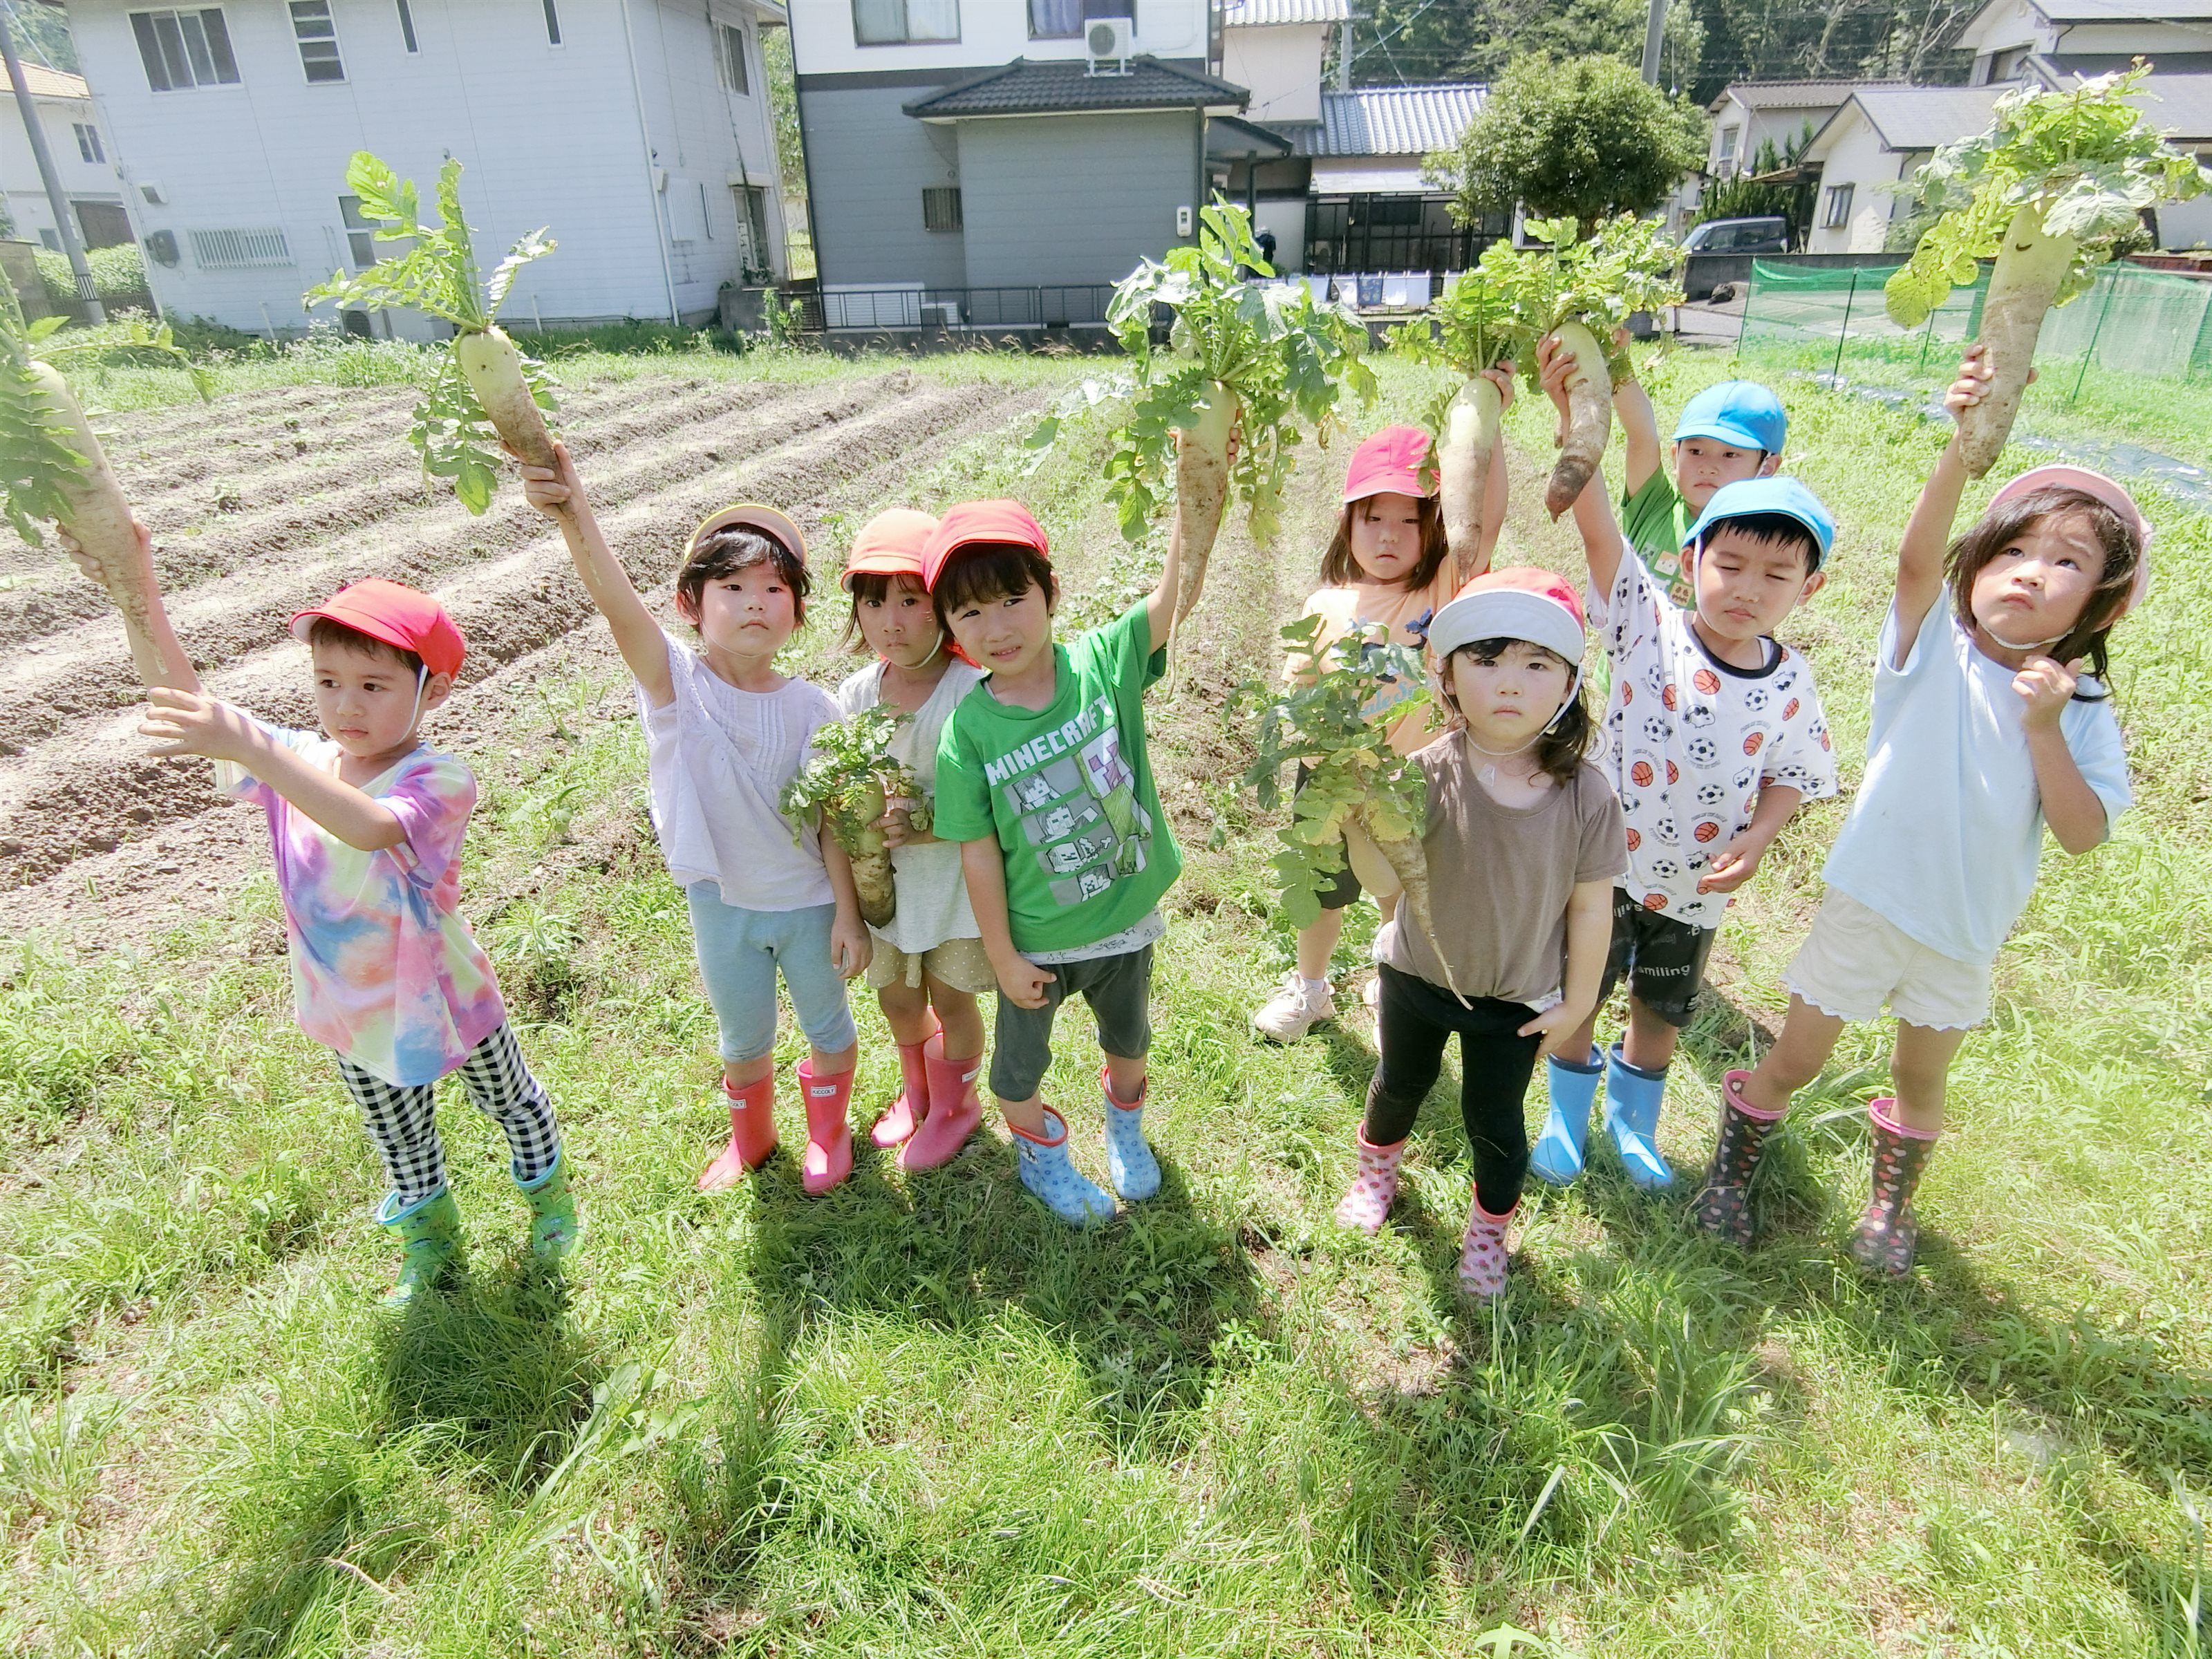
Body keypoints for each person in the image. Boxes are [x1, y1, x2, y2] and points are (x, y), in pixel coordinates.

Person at [1697, 348, 2146, 1276]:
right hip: (1870, 897)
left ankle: (1890, 1208)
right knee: (1797, 1057)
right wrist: (1960, 448)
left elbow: (2081, 833)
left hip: (1964, 929)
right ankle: (1730, 1176)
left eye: (2068, 561)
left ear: (2102, 601)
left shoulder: (2081, 710)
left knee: (1920, 1075)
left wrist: (2045, 727)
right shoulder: (1929, 649)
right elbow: (1911, 562)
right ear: (1975, 564)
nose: (2032, 572)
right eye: (2014, 549)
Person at [66, 524, 578, 1304]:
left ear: (430, 691)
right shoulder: (301, 759)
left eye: (373, 686)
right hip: (347, 998)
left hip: (443, 994)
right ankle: (430, 1238)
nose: (346, 704)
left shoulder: (439, 777)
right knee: (396, 1130)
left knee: (506, 1096)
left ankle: (549, 1201)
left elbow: (368, 827)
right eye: (328, 680)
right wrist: (136, 591)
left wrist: (252, 749)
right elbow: (188, 707)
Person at [519, 446, 870, 1195]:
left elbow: (836, 821)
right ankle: (750, 1142)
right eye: (733, 586)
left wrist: (848, 914)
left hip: (806, 902)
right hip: (722, 903)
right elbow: (617, 605)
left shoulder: (816, 708)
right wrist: (572, 511)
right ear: (690, 604)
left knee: (830, 1030)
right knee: (743, 1039)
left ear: (797, 610)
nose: (753, 602)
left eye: (774, 588)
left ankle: (828, 1138)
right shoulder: (675, 683)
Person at [1535, 357, 1841, 1194]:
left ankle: (1633, 1127)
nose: (1748, 589)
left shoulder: (1789, 681)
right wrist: (1577, 418)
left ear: (1807, 589)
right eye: (1730, 565)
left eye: (1777, 576)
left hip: (1695, 885)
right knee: (1579, 994)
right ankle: (1563, 1117)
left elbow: (1790, 772)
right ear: (1691, 554)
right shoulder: (1646, 621)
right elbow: (1599, 530)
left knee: (1660, 1012)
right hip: (1600, 868)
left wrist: (1760, 834)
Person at [1332, 569, 1624, 1300]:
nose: (1508, 683)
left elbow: (1592, 910)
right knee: (1400, 1083)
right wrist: (1353, 818)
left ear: (1566, 685)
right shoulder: (1423, 775)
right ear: (1448, 679)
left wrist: (1574, 1005)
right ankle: (1376, 1178)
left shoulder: (1587, 795)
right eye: (1485, 658)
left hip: (1516, 1002)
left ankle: (1488, 1230)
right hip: (1414, 977)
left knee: (1492, 1120)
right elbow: (1382, 884)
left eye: (1535, 664)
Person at [926, 497, 1189, 1226]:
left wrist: (1195, 487)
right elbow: (976, 854)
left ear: (1049, 593)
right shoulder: (967, 734)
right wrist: (1002, 955)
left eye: (1014, 599)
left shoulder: (1104, 663)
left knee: (1128, 1041)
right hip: (1036, 940)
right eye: (970, 613)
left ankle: (1124, 1130)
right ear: (949, 630)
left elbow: (1175, 596)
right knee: (1015, 1076)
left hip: (1124, 922)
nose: (997, 627)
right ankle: (1042, 1160)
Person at [1250, 411, 1510, 1042]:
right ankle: (1310, 990)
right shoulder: (1325, 604)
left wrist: (1491, 421)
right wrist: (1321, 752)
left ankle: (1391, 978)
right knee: (1319, 890)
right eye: (1375, 518)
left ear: (1436, 529)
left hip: (1412, 780)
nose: (1390, 535)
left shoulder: (1441, 591)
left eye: (1410, 520)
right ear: (1349, 523)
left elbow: (1490, 515)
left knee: (1401, 892)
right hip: (1330, 780)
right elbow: (1301, 694)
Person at [834, 507, 991, 1171]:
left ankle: (959, 1107)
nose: (891, 622)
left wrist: (923, 822)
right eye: (873, 604)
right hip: (886, 891)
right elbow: (837, 802)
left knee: (951, 997)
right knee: (897, 996)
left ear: (945, 604)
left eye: (911, 600)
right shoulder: (856, 695)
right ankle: (918, 1092)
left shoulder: (971, 691)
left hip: (954, 886)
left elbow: (994, 796)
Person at [1544, 330, 1789, 610]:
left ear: (1767, 467)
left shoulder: (1768, 544)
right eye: (1695, 451)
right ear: (1675, 456)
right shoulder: (1655, 507)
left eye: (1730, 454)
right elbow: (1643, 436)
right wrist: (1614, 361)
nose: (1708, 466)